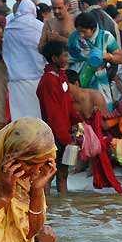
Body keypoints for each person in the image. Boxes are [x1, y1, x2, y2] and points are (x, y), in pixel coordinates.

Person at [65, 70, 122, 194]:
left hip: (100, 134)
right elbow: (72, 125)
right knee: (71, 137)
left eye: (67, 86)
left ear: (76, 83)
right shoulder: (68, 102)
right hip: (80, 134)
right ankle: (77, 165)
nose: (66, 90)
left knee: (102, 141)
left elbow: (104, 124)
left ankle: (92, 163)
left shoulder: (94, 96)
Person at [37, 41, 84, 195]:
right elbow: (53, 114)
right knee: (49, 174)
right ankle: (47, 207)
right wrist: (64, 136)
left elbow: (67, 103)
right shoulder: (48, 81)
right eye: (64, 55)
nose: (67, 58)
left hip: (65, 132)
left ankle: (63, 209)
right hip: (53, 135)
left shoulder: (62, 77)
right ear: (54, 58)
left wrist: (76, 121)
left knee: (63, 173)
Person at [67, 12, 122, 111]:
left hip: (99, 81)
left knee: (102, 112)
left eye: (84, 31)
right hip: (78, 81)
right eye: (79, 31)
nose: (81, 35)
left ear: (93, 29)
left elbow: (120, 58)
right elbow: (67, 58)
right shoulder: (74, 38)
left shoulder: (105, 37)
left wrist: (108, 56)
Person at [2, 0, 45, 120]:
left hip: (15, 79)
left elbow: (7, 51)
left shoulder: (9, 28)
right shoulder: (39, 26)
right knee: (37, 116)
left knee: (19, 116)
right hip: (36, 78)